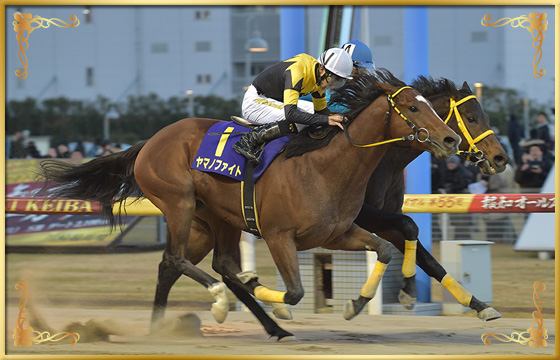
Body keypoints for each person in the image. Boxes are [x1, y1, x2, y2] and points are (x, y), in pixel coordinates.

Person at [232, 47, 354, 164]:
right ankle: (249, 140)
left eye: (339, 82)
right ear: (322, 69)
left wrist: (343, 120)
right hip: (254, 102)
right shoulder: (297, 71)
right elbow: (290, 114)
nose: (331, 86)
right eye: (333, 80)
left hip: (273, 101)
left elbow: (321, 111)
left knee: (311, 112)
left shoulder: (318, 75)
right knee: (302, 119)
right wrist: (327, 120)